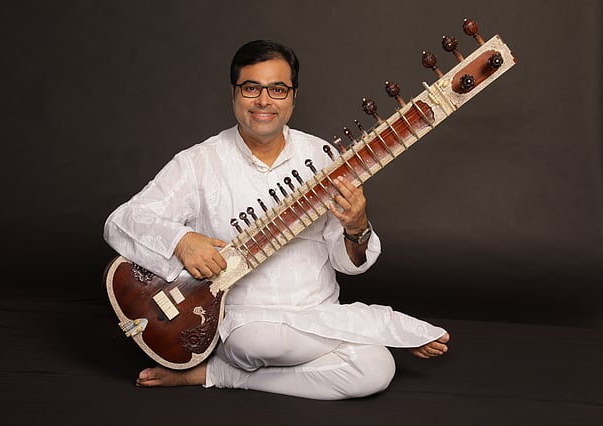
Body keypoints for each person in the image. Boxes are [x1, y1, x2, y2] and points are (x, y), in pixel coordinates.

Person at [103, 40, 450, 400]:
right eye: (251, 88)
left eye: (278, 89)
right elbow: (122, 220)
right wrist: (182, 241)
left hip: (317, 314)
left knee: (376, 369)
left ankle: (218, 373)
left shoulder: (324, 157)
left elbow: (348, 263)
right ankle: (377, 327)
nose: (264, 101)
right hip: (248, 324)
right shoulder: (198, 162)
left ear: (293, 97)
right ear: (234, 93)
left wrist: (356, 226)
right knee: (259, 341)